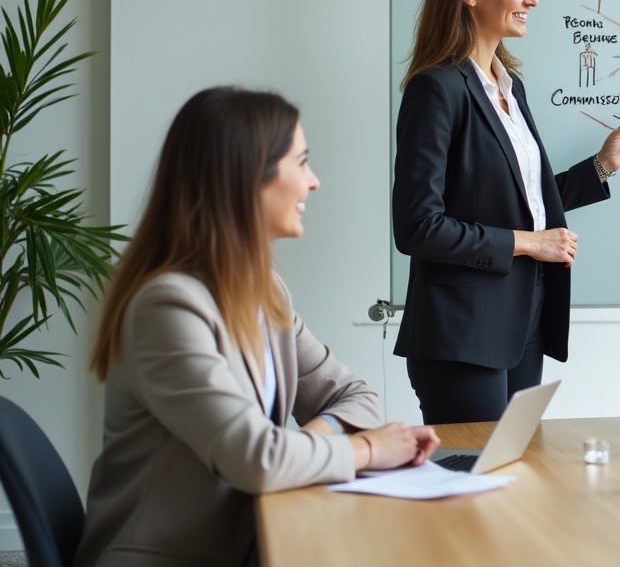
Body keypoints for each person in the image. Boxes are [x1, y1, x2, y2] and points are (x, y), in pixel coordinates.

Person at [76, 87, 440, 567]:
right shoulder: (166, 308)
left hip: (250, 538)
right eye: (302, 162)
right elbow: (257, 459)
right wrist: (368, 448)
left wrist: (302, 445)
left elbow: (356, 396)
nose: (314, 182)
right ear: (248, 176)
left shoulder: (263, 290)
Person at [393, 0, 620, 424]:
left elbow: (521, 200)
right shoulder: (436, 90)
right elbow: (417, 228)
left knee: (514, 480)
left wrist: (603, 165)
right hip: (462, 336)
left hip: (522, 321)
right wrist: (532, 244)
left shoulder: (512, 89)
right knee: (474, 488)